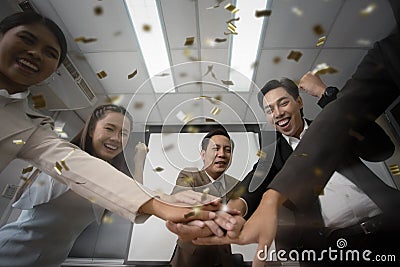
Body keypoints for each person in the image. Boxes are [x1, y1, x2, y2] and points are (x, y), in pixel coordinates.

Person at [187, 0, 400, 264]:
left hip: (391, 226)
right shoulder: (275, 152)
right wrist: (237, 207)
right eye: (269, 109)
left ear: (298, 102)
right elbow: (255, 180)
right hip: (334, 249)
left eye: (283, 103)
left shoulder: (332, 126)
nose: (277, 113)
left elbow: (381, 150)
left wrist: (325, 94)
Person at [0, 11, 223, 231]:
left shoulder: (31, 128)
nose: (36, 54)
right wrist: (159, 201)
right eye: (26, 39)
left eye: (50, 53)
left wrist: (159, 199)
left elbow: (88, 171)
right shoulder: (54, 163)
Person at [0, 104, 146, 266]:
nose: (116, 138)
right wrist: (139, 160)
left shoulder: (104, 174)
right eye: (109, 129)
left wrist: (139, 161)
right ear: (91, 130)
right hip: (12, 253)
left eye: (124, 134)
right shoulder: (71, 162)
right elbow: (131, 203)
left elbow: (133, 203)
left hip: (50, 260)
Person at [170, 128, 240, 267]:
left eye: (228, 150)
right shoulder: (190, 175)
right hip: (192, 256)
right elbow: (178, 200)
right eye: (215, 148)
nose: (222, 154)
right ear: (203, 154)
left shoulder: (235, 184)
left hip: (224, 256)